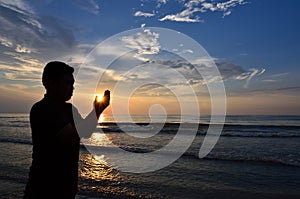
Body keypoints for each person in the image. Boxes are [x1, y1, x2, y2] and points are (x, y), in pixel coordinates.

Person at [23, 61, 110, 199]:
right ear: (52, 83)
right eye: (68, 83)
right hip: (44, 189)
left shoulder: (70, 109)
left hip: (66, 189)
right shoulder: (42, 109)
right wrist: (97, 110)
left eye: (73, 84)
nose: (72, 88)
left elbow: (86, 132)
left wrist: (98, 110)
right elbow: (72, 136)